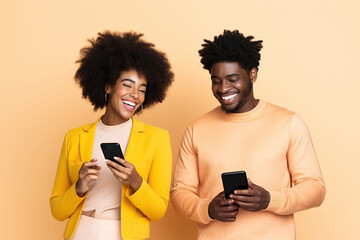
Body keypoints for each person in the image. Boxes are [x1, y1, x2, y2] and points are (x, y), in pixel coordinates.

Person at [170, 30, 326, 240]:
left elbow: (315, 189)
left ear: (252, 74)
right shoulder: (196, 128)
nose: (223, 88)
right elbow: (180, 193)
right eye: (216, 80)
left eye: (232, 79)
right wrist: (207, 209)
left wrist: (270, 200)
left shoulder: (288, 123)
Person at [50, 31, 174, 240]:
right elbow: (57, 210)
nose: (135, 95)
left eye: (142, 89)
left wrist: (136, 182)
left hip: (125, 234)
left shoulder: (157, 138)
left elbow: (158, 211)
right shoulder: (75, 137)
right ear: (108, 86)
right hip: (81, 231)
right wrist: (79, 187)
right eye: (127, 85)